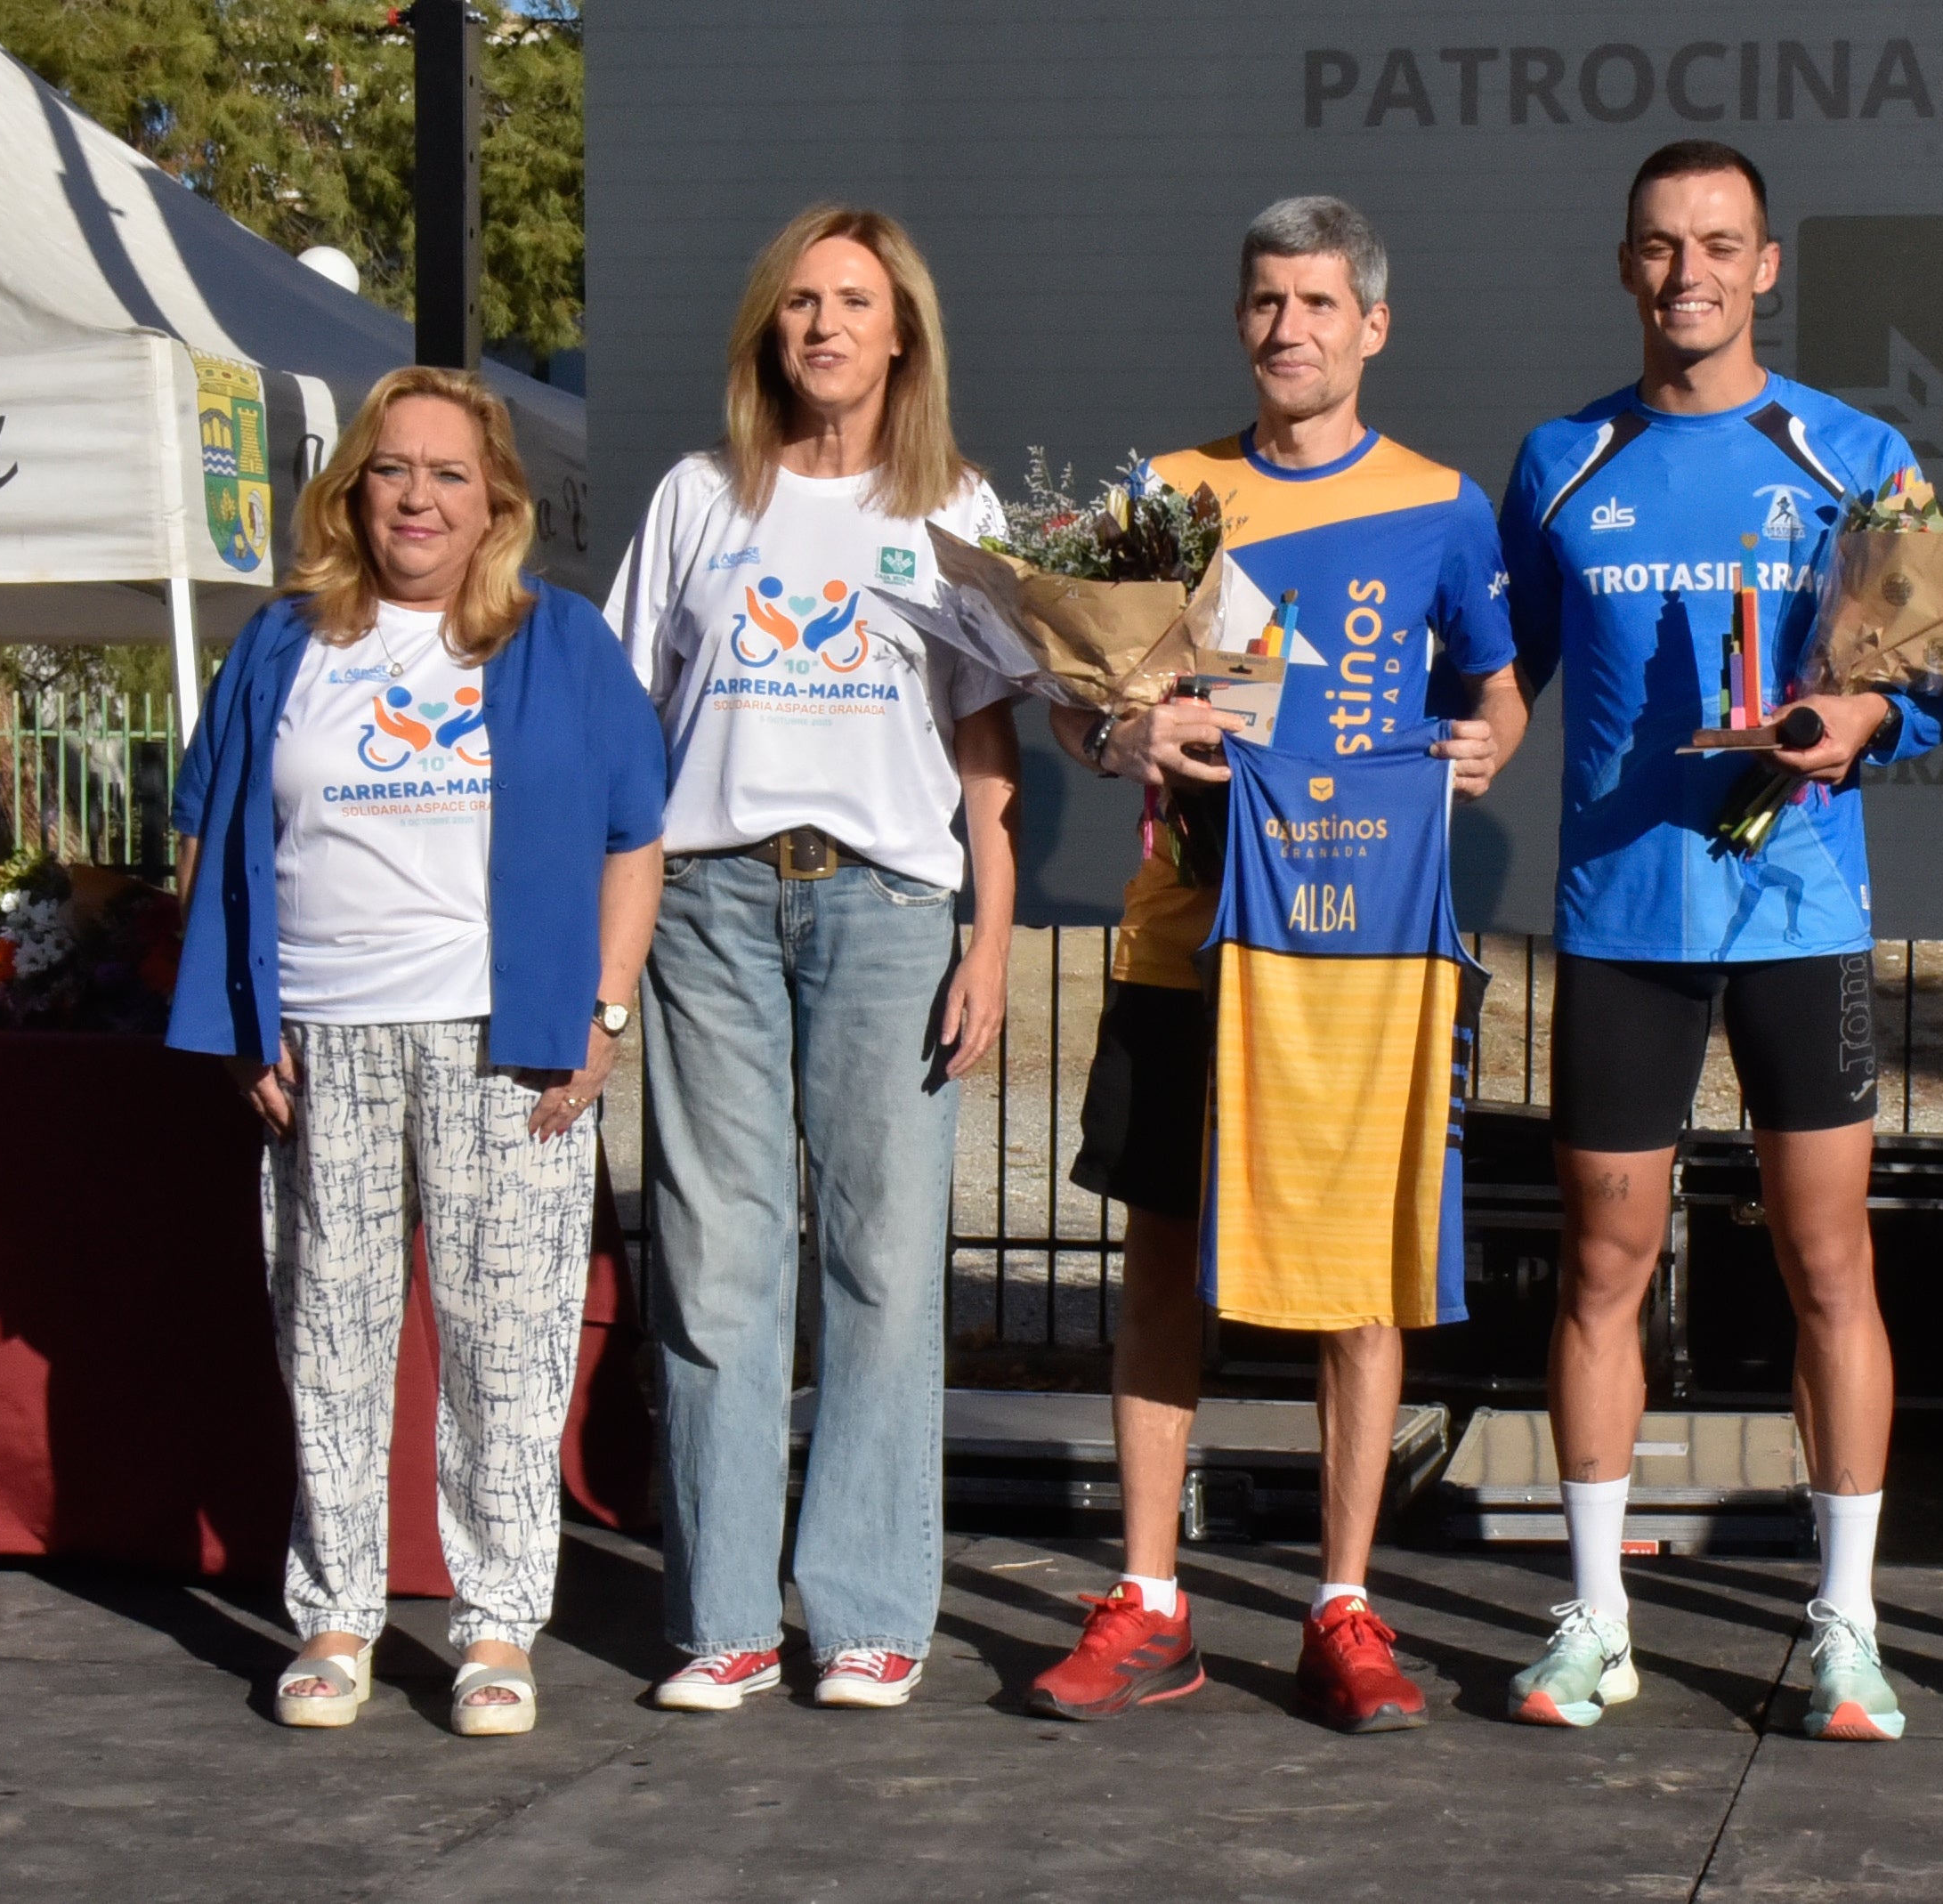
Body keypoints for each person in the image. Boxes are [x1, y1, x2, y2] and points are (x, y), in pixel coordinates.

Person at [1494, 141, 1943, 1739]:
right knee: (1603, 1270)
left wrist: (1869, 717)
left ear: (1766, 265)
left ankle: (1845, 1624)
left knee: (1829, 1266)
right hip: (1624, 923)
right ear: (1624, 265)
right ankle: (1597, 1619)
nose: (1687, 271)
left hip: (1800, 917)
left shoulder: (1853, 451)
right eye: (1659, 245)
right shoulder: (1560, 458)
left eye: (1719, 244)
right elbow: (1501, 687)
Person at [1031, 195, 1526, 1732]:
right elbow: (1078, 705)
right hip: (1189, 937)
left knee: (1358, 1277)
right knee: (1164, 1260)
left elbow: (1500, 704)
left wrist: (1481, 746)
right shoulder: (1166, 494)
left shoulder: (1444, 505)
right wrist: (1126, 730)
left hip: (1360, 958)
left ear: (1371, 325)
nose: (1288, 328)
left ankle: (1345, 1603)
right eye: (1265, 303)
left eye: (1318, 304)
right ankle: (1153, 1598)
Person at [167, 366, 668, 1736]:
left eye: (451, 473)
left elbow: (636, 836)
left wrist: (607, 1013)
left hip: (501, 1038)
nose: (420, 496)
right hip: (322, 1036)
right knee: (329, 1335)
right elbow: (209, 839)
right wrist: (238, 1024)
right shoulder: (280, 644)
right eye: (394, 468)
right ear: (352, 489)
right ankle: (336, 1615)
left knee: (507, 1341)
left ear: (497, 498)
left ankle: (496, 1628)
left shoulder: (559, 643)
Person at [604, 205, 1019, 1714]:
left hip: (891, 911)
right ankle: (721, 1617)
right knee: (715, 1267)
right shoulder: (697, 500)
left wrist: (993, 930)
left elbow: (986, 745)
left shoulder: (953, 504)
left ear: (901, 330)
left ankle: (863, 1611)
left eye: (853, 301)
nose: (825, 326)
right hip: (709, 903)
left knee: (884, 1265)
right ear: (767, 334)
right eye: (798, 303)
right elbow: (624, 721)